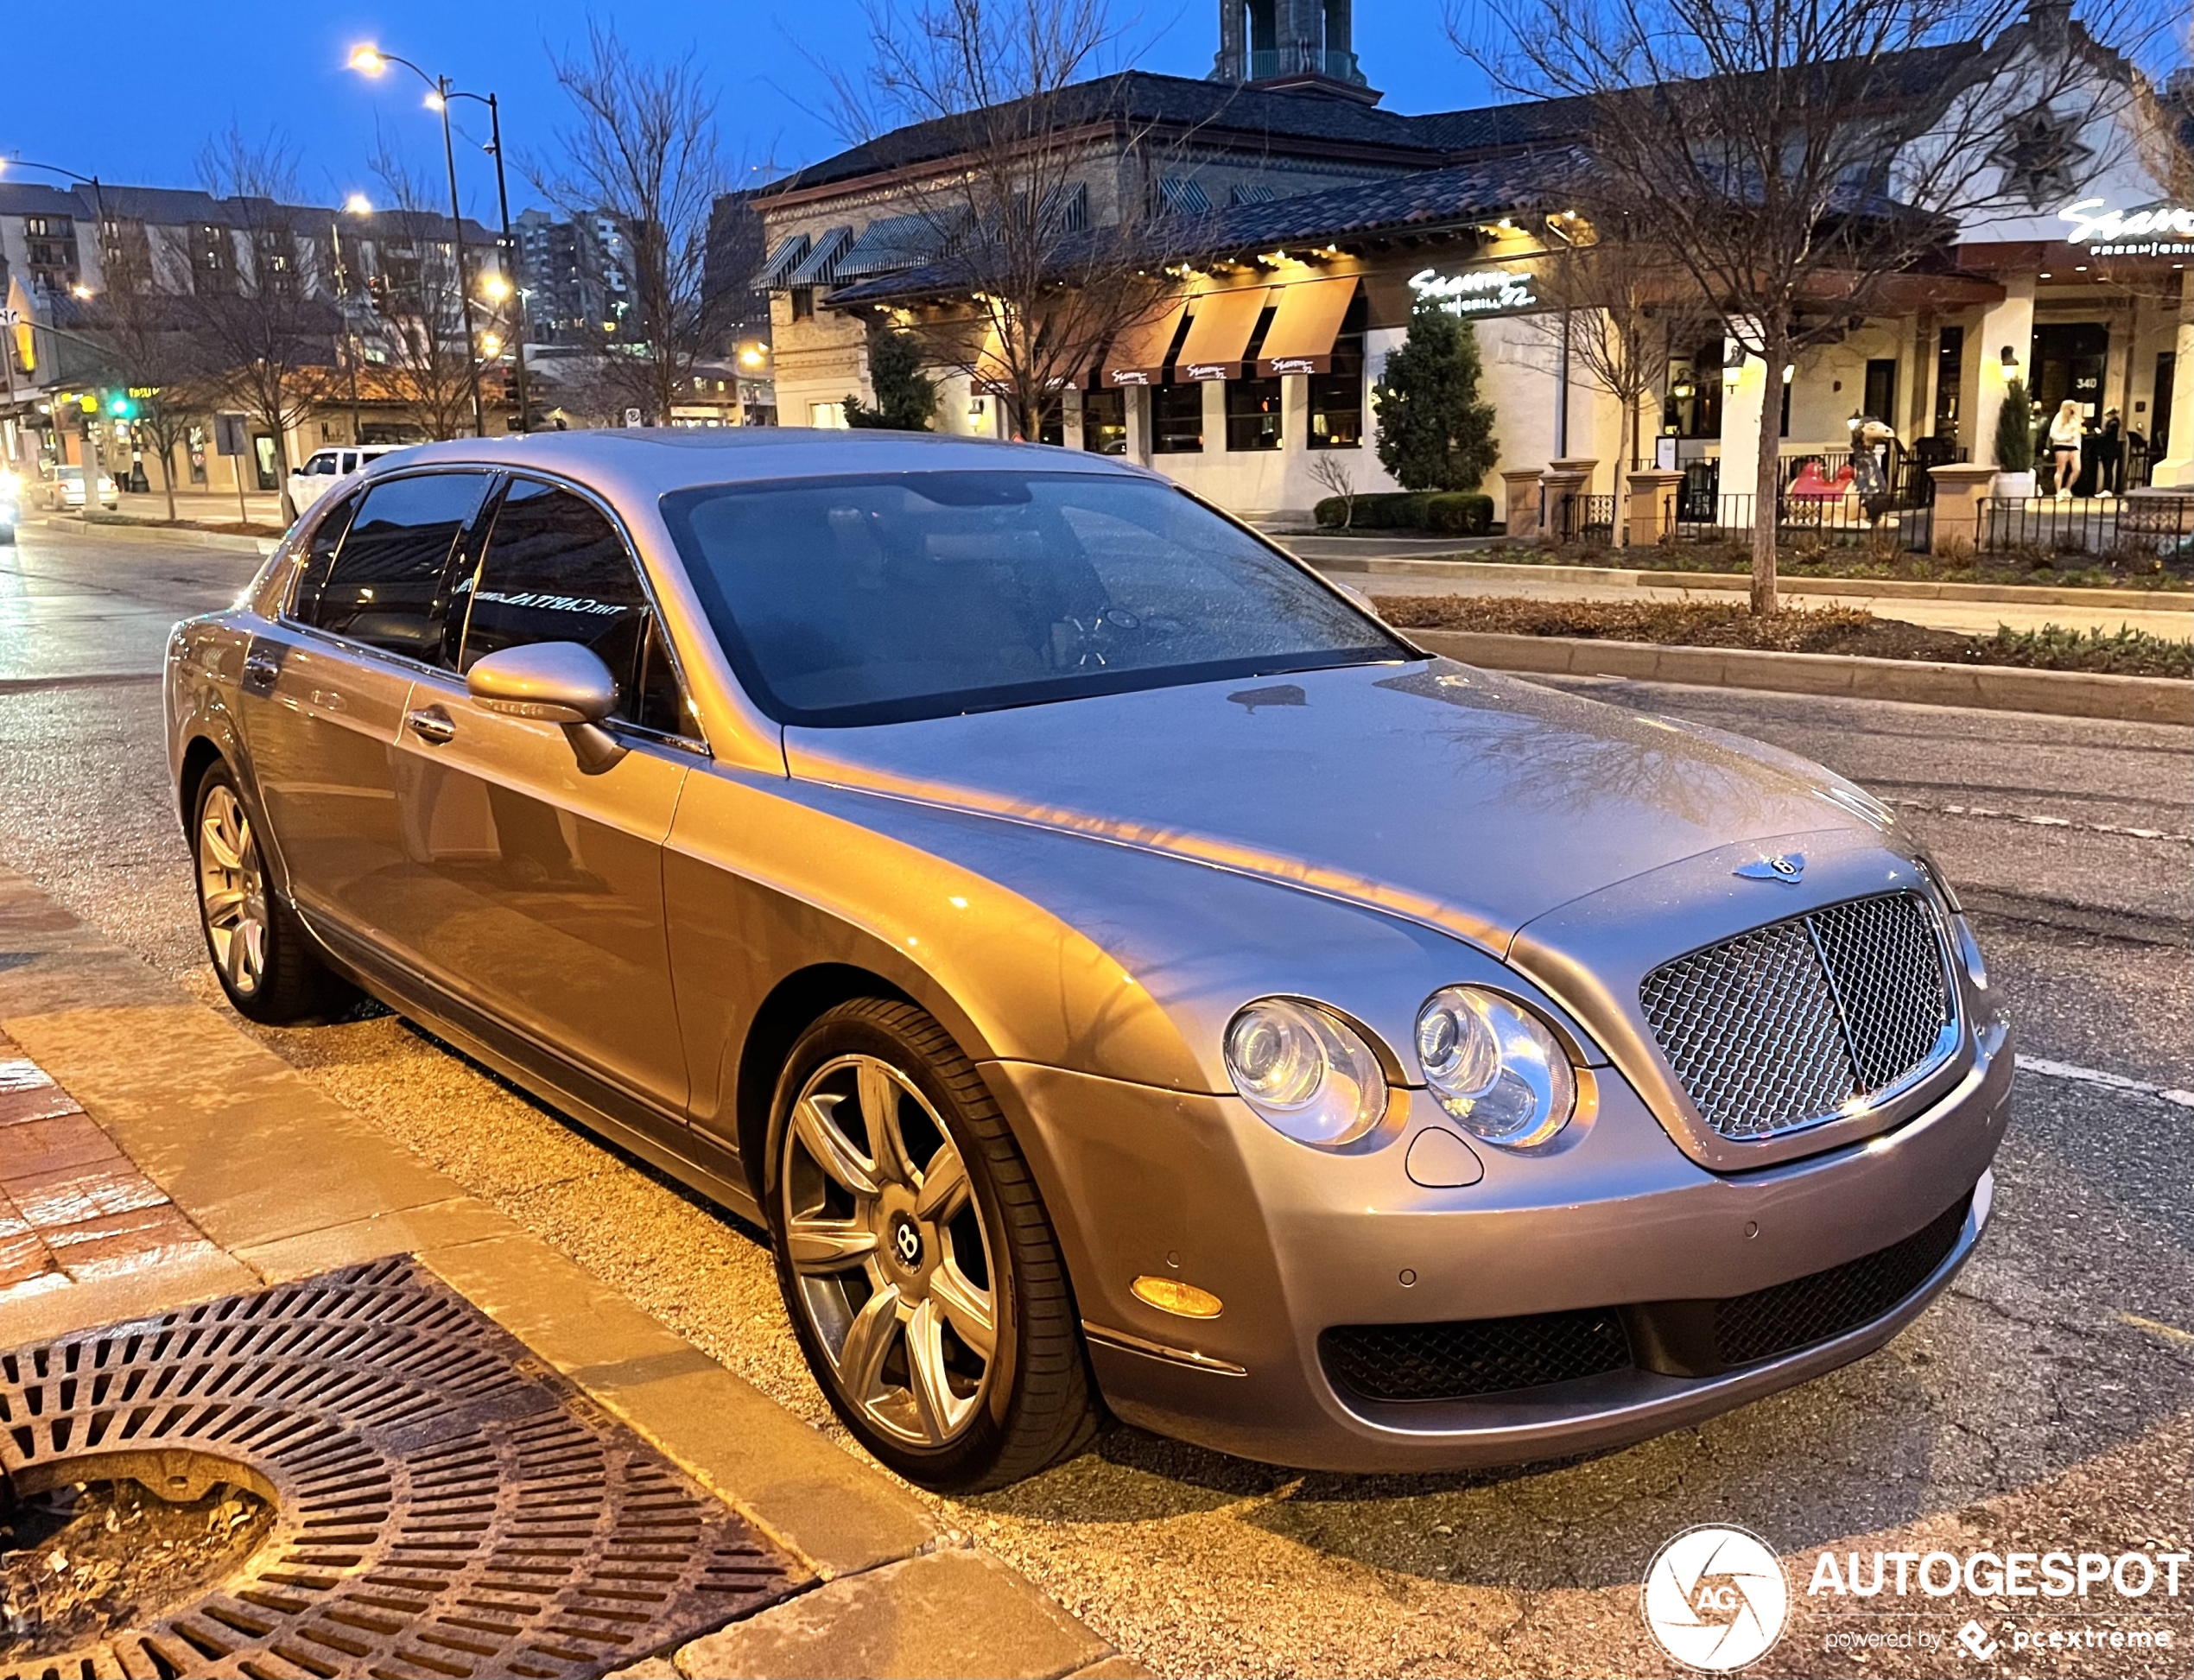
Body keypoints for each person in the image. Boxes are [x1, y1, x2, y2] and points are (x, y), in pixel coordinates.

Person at [2048, 400, 2083, 498]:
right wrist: (2065, 438)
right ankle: (2058, 492)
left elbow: (2078, 433)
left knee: (2077, 469)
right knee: (2061, 469)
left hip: (2074, 446)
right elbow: (2053, 433)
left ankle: (2067, 489)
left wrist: (2078, 445)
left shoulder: (2075, 419)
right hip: (2062, 445)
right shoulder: (2059, 417)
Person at [2094, 409, 2126, 496]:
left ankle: (2107, 489)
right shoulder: (2113, 423)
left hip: (2109, 449)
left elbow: (2106, 435)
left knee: (2108, 469)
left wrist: (2099, 433)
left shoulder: (2113, 423)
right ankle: (2106, 488)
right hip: (2108, 449)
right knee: (2107, 470)